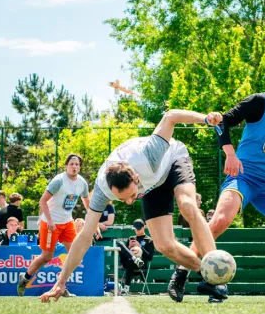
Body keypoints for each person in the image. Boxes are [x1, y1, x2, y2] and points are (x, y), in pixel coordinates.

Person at [40, 109, 227, 303]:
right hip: (151, 186)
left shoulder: (149, 154)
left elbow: (170, 116)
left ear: (136, 178)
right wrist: (61, 282)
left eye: (131, 196)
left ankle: (218, 272)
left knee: (187, 205)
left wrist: (205, 119)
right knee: (164, 245)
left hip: (172, 161)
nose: (131, 201)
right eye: (123, 199)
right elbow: (85, 236)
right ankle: (209, 276)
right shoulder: (102, 190)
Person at [171, 57, 265, 303]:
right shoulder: (260, 102)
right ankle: (181, 273)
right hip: (243, 175)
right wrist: (230, 154)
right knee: (220, 220)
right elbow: (222, 122)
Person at [18, 154, 90, 296]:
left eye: (77, 164)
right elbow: (42, 201)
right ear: (66, 166)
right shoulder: (58, 181)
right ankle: (25, 278)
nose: (74, 167)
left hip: (67, 222)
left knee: (76, 256)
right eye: (71, 164)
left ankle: (60, 285)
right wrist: (50, 220)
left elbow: (88, 204)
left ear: (80, 167)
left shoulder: (82, 183)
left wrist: (94, 223)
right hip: (50, 222)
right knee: (47, 257)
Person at [119, 219, 155, 289]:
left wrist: (140, 246)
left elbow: (150, 258)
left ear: (144, 227)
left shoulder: (149, 240)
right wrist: (129, 247)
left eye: (139, 229)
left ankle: (126, 288)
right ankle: (135, 259)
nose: (137, 231)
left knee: (131, 261)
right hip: (127, 262)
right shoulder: (131, 238)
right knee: (120, 244)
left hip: (140, 264)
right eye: (135, 229)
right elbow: (124, 254)